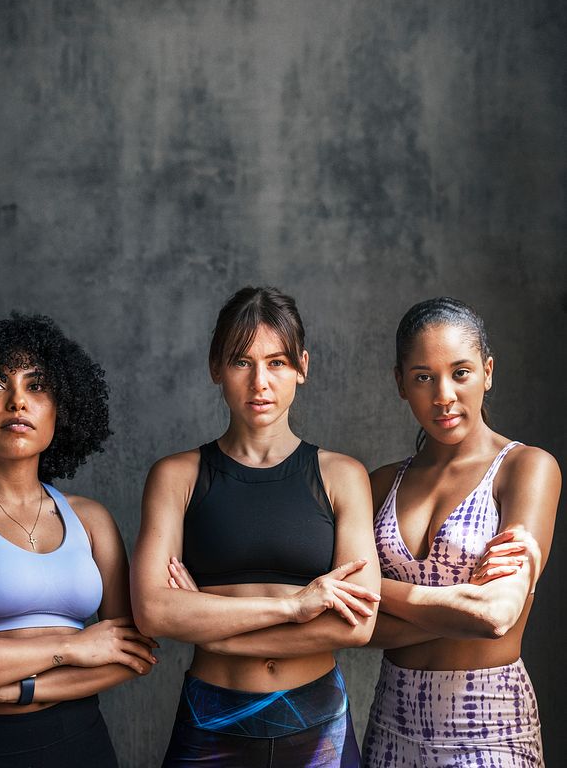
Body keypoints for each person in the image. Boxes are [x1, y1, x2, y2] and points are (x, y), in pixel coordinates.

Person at [131, 286, 381, 767]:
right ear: (215, 368)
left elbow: (357, 623)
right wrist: (296, 606)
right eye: (241, 362)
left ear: (302, 367)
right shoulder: (176, 477)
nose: (259, 382)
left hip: (318, 723)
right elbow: (153, 611)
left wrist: (210, 627)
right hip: (213, 721)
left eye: (278, 362)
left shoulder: (341, 476)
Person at [0, 313, 157, 768]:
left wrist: (17, 688)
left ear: (63, 406)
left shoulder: (91, 518)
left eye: (37, 385)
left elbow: (131, 653)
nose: (18, 401)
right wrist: (71, 648)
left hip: (83, 743)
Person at [362, 297, 561, 768]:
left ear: (488, 372)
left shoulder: (525, 468)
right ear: (400, 383)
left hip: (489, 723)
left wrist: (367, 590)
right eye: (423, 377)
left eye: (461, 372)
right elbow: (352, 629)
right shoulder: (381, 483)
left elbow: (495, 615)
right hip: (390, 723)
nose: (444, 395)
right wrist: (458, 604)